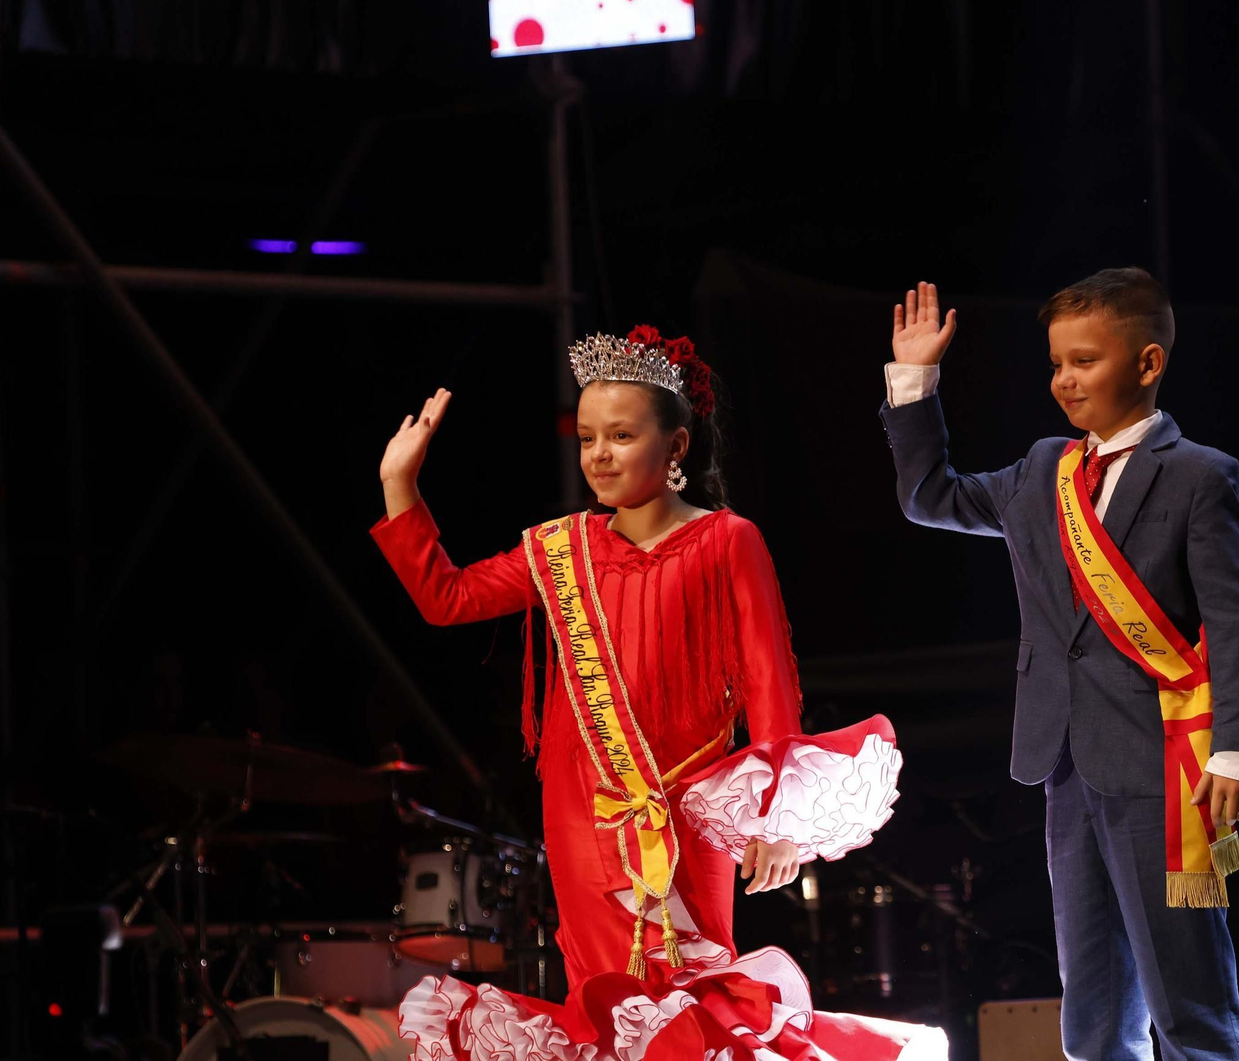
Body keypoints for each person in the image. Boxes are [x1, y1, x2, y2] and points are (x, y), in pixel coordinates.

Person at [371, 326, 945, 1061]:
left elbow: (769, 680)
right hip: (585, 809)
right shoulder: (561, 548)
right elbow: (445, 598)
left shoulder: (728, 540)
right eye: (586, 437)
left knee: (695, 996)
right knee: (606, 997)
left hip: (692, 806)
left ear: (675, 447)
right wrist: (401, 486)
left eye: (620, 435)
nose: (598, 455)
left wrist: (776, 818)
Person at [880, 273, 1239, 1060]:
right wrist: (915, 380)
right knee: (1093, 1006)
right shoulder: (1040, 472)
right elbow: (929, 496)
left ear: (1148, 361)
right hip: (1066, 761)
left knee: (1186, 997)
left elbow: (1238, 617)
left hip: (1164, 764)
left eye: (1085, 360)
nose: (1064, 379)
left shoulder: (1199, 474)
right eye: (1057, 362)